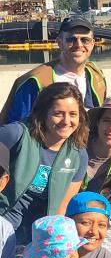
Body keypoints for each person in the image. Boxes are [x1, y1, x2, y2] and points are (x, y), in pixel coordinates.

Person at [0, 82, 89, 246]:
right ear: (43, 113)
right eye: (58, 113)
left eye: (73, 114)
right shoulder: (16, 135)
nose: (66, 121)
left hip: (36, 240)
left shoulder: (78, 155)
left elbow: (61, 209)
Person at [1, 17, 106, 124]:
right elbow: (17, 128)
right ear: (59, 42)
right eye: (71, 39)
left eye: (85, 40)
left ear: (93, 44)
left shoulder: (95, 75)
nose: (79, 45)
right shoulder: (36, 82)